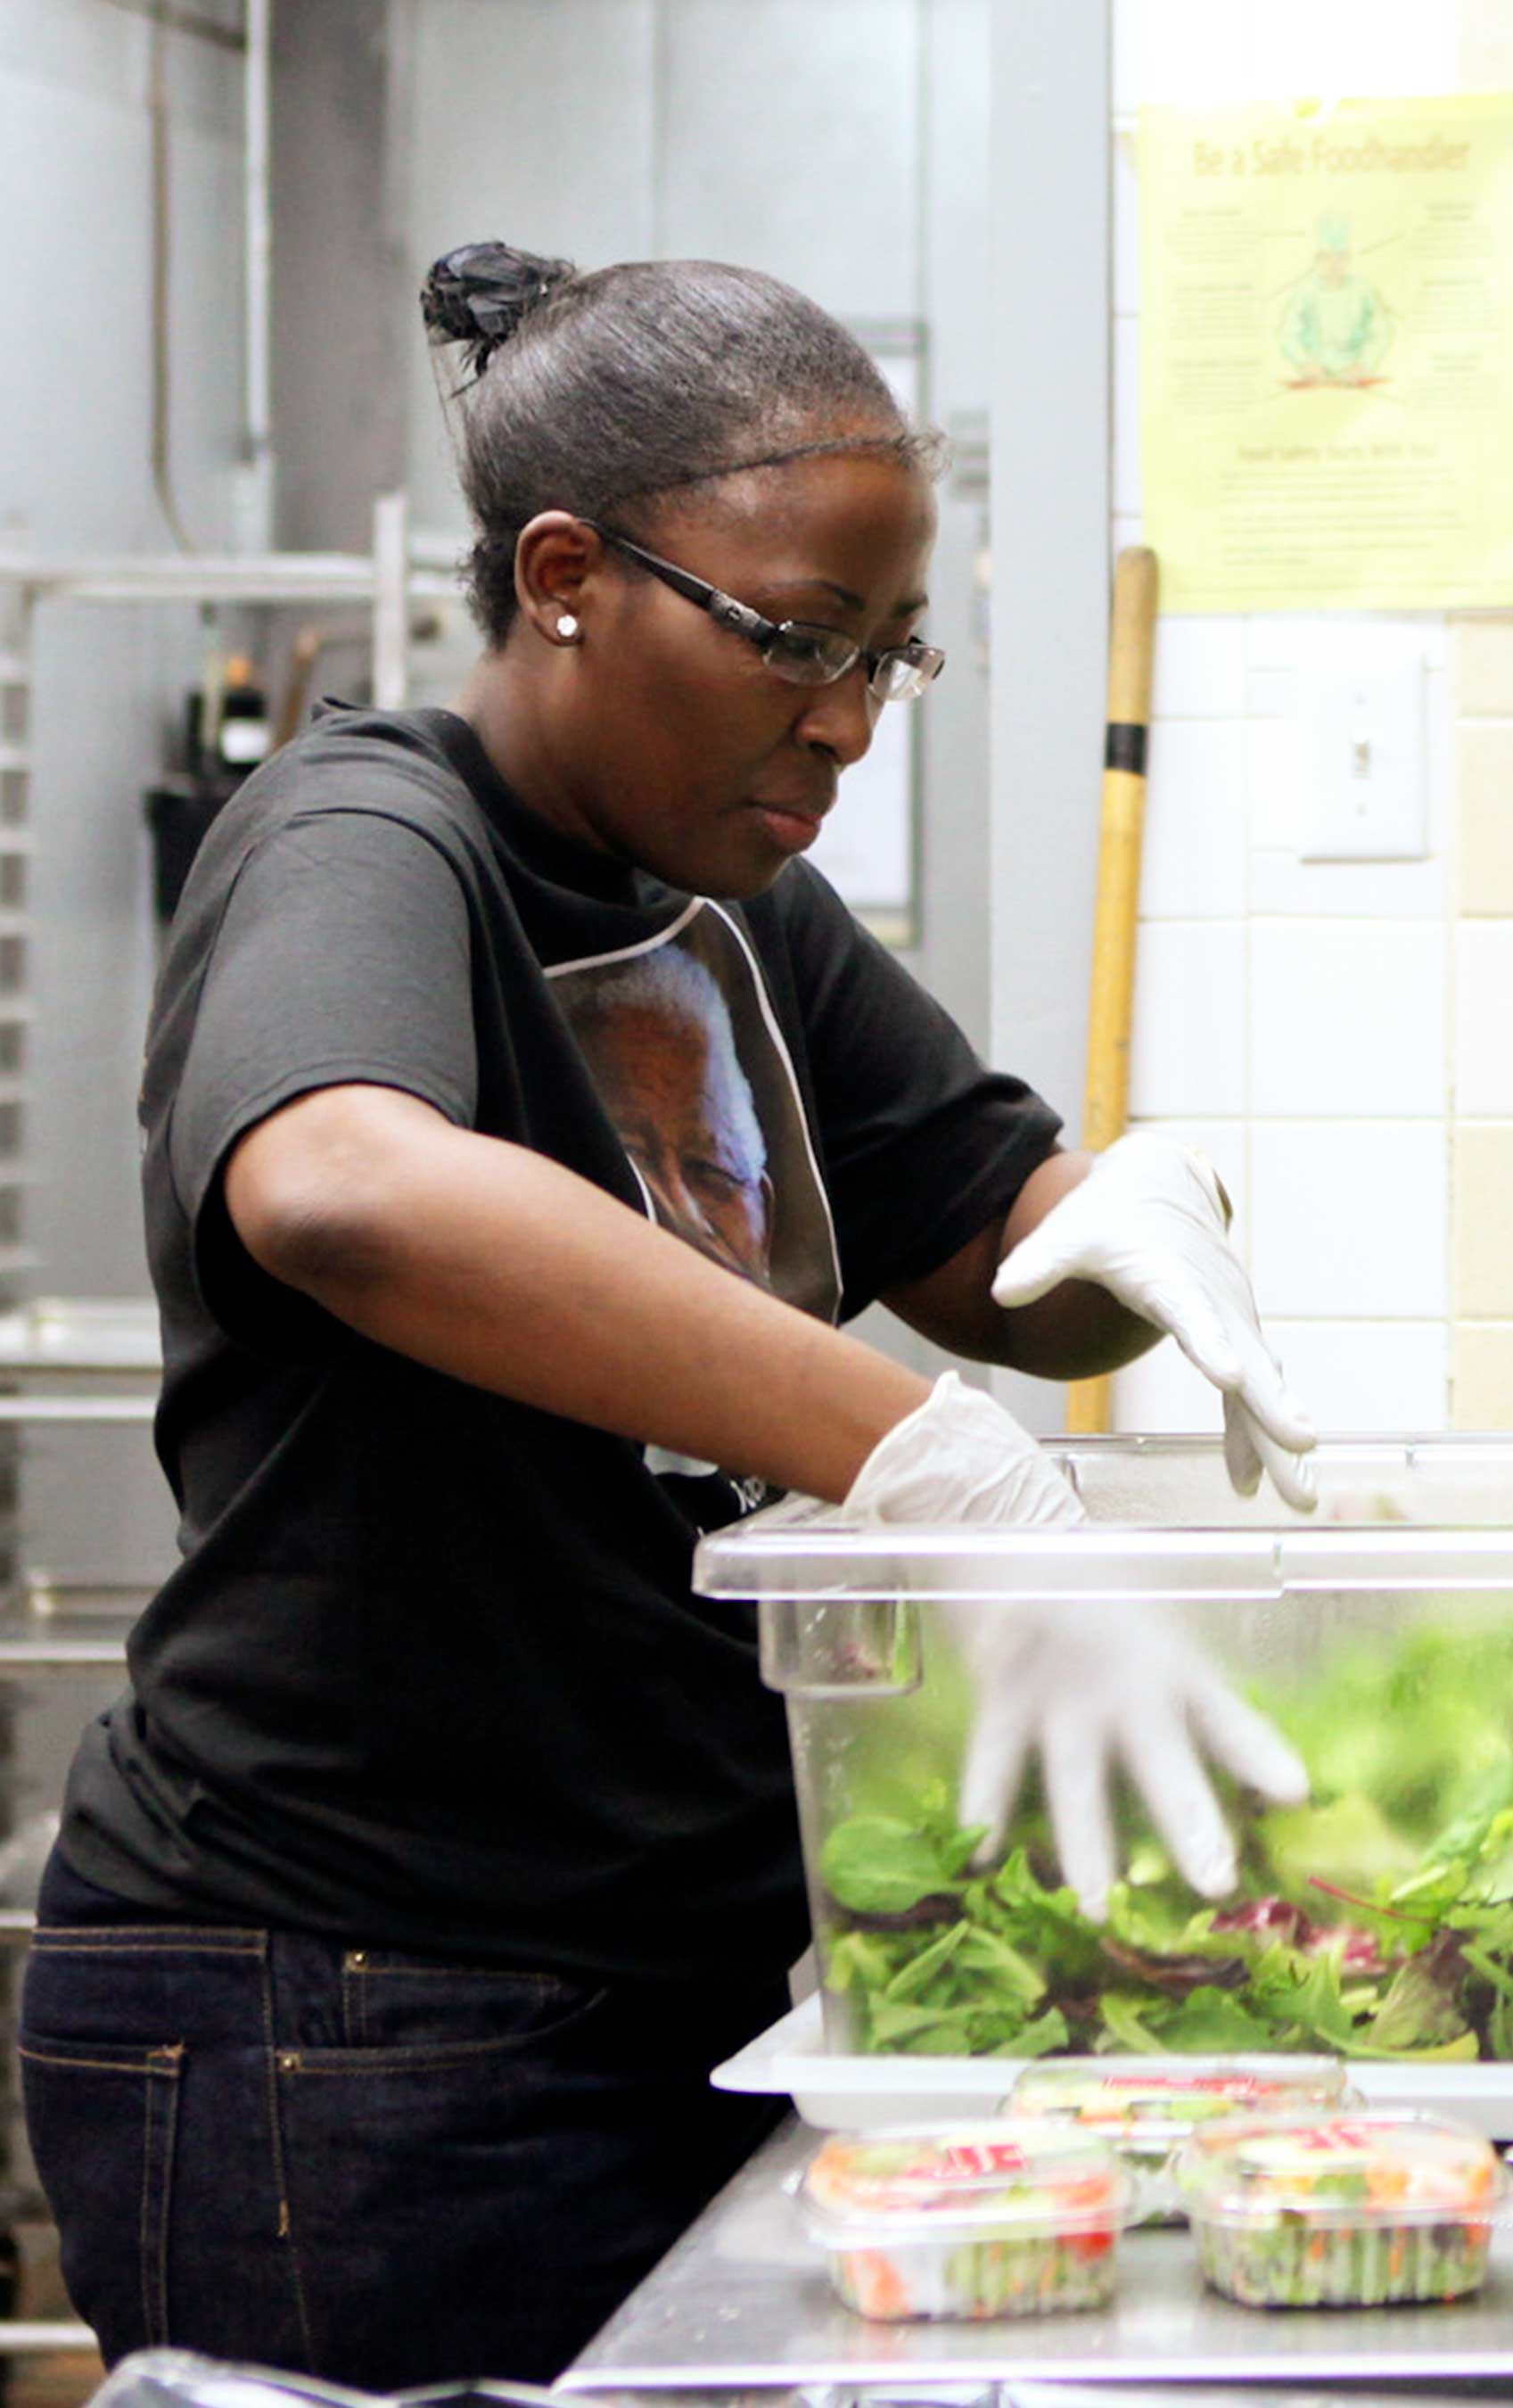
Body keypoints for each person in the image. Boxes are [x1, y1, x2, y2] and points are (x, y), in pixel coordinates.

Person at [15, 242, 1320, 2381]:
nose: (845, 721)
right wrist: (917, 1461)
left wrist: (1140, 1211)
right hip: (344, 2005)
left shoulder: (742, 908)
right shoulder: (364, 834)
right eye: (796, 640)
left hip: (658, 1984)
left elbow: (1007, 1258)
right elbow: (343, 1185)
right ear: (561, 577)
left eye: (890, 658)